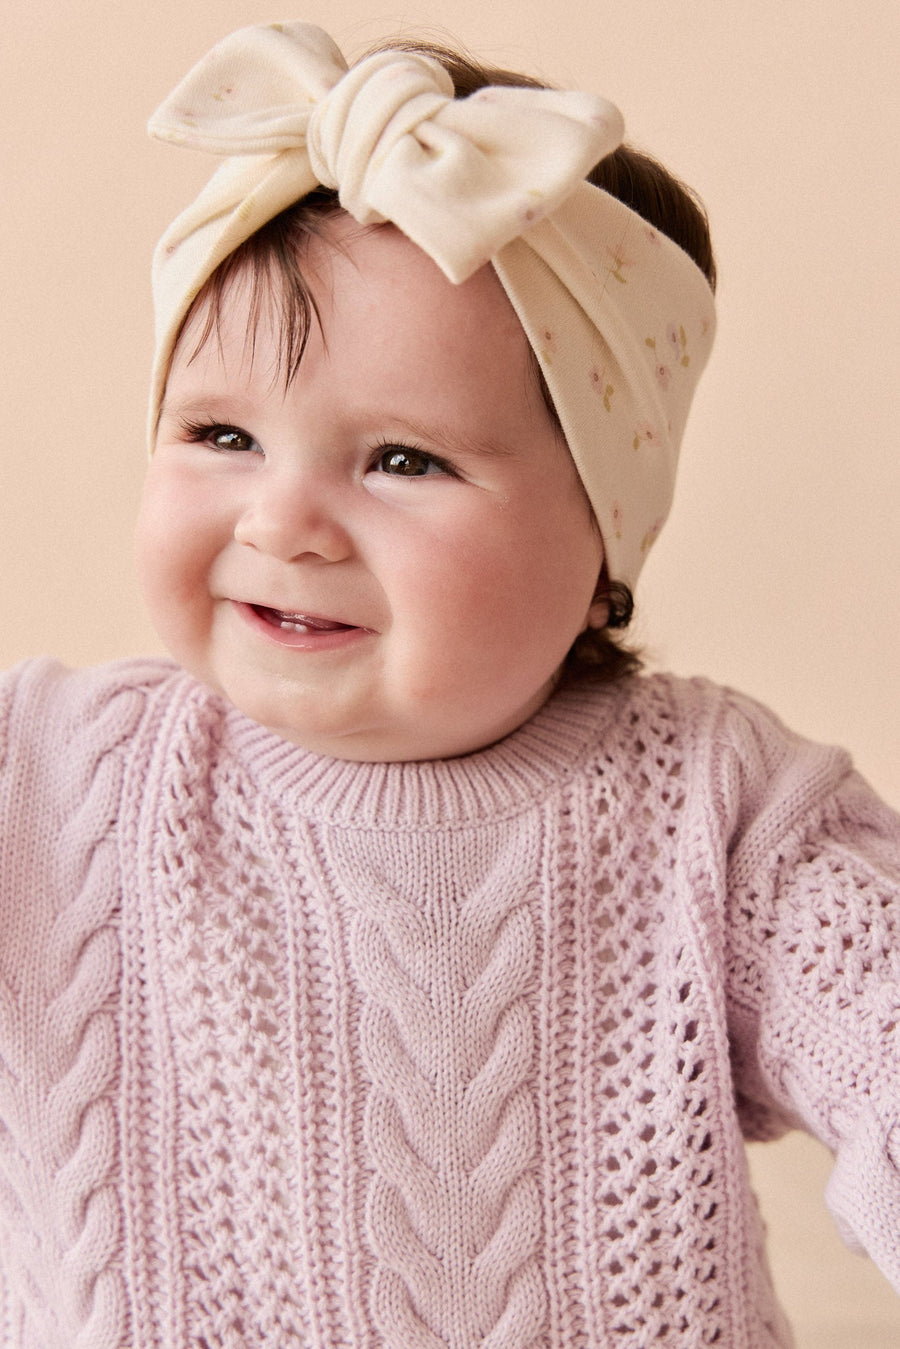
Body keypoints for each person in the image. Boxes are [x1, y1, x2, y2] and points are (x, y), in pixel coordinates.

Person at [0, 19, 897, 1348]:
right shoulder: (50, 777)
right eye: (223, 433)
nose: (282, 520)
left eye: (404, 460)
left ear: (604, 535)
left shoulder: (719, 809)